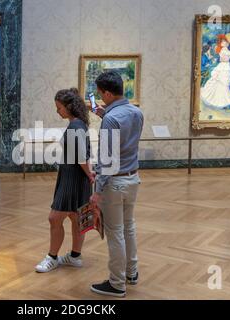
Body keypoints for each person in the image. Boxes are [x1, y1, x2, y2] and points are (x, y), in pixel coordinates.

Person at [89, 71, 144, 298]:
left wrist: (97, 192)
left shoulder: (112, 119)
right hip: (133, 178)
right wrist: (104, 115)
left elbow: (108, 161)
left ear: (108, 93)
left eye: (101, 94)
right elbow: (124, 137)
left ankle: (117, 283)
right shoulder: (136, 112)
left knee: (115, 233)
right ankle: (131, 273)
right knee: (128, 227)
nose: (100, 99)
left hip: (114, 182)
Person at [35, 88, 95, 273]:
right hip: (77, 176)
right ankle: (75, 256)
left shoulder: (75, 126)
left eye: (59, 108)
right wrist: (90, 175)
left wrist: (90, 174)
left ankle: (52, 257)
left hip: (74, 177)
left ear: (69, 107)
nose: (57, 111)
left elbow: (81, 157)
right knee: (77, 218)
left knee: (54, 218)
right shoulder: (79, 124)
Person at [200, 34, 230, 110]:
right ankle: (221, 102)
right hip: (224, 67)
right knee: (223, 84)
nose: (225, 43)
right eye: (223, 42)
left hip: (225, 66)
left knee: (224, 84)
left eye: (225, 41)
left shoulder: (225, 48)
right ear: (220, 43)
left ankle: (224, 102)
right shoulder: (223, 49)